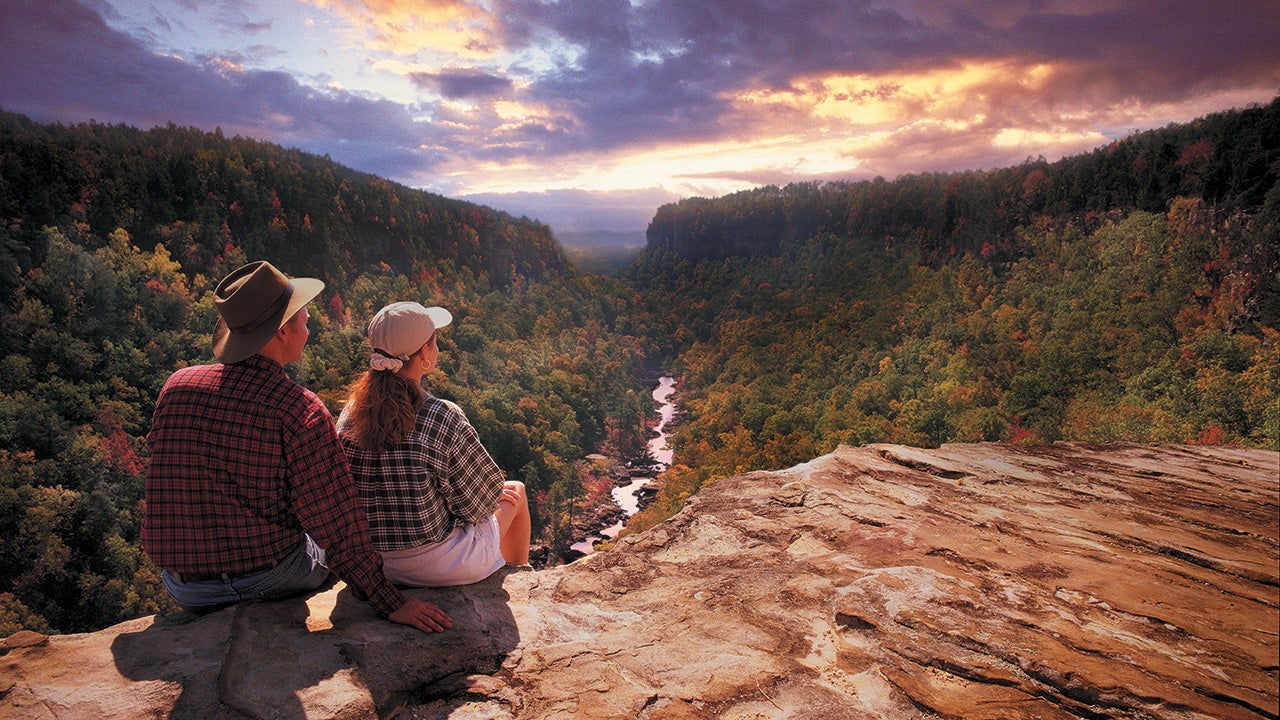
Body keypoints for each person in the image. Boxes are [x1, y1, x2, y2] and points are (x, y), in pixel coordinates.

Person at [142, 261, 451, 633]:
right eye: (305, 321)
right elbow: (337, 524)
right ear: (283, 332)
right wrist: (390, 602)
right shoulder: (297, 409)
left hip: (187, 588)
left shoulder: (177, 387)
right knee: (318, 543)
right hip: (272, 577)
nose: (309, 329)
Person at [336, 301, 530, 587]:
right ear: (425, 353)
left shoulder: (350, 414)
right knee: (516, 491)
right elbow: (480, 506)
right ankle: (521, 581)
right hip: (436, 566)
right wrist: (487, 490)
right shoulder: (442, 415)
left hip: (368, 562)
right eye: (434, 341)